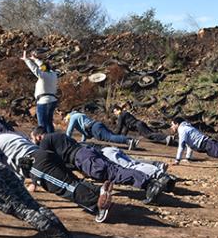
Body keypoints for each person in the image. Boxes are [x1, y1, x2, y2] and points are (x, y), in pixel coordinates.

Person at [30, 129, 173, 205]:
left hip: (82, 157)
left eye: (32, 139)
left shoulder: (45, 141)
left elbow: (46, 162)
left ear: (38, 137)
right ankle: (151, 183)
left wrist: (34, 184)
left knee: (114, 174)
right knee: (117, 170)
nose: (33, 142)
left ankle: (150, 185)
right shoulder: (59, 135)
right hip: (87, 152)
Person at [66, 106, 139, 150]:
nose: (67, 121)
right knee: (112, 135)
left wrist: (66, 142)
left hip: (94, 128)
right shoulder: (80, 115)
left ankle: (129, 141)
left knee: (110, 138)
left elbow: (69, 131)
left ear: (68, 116)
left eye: (66, 119)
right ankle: (132, 142)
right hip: (97, 125)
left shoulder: (73, 117)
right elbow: (84, 133)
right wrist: (83, 143)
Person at [22, 51, 58, 133]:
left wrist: (26, 60)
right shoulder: (53, 74)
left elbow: (35, 69)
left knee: (42, 125)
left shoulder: (43, 76)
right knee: (49, 123)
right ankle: (52, 140)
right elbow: (43, 66)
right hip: (52, 101)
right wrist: (35, 59)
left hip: (43, 101)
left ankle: (44, 142)